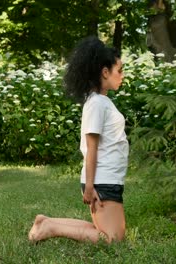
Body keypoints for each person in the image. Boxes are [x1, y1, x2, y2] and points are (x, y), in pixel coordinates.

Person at [28, 36, 128, 244]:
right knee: (112, 239)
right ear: (105, 72)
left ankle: (46, 222)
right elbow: (91, 148)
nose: (123, 75)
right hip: (102, 181)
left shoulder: (102, 102)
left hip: (107, 179)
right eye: (120, 70)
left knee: (105, 231)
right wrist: (90, 186)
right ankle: (51, 228)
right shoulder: (97, 104)